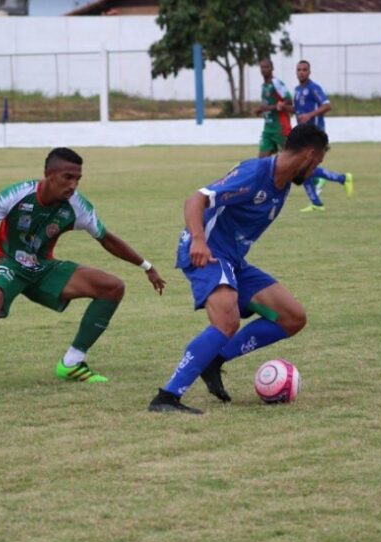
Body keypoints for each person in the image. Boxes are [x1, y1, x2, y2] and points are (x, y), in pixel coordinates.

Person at [0, 147, 166, 395]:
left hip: (42, 267)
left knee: (112, 287)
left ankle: (72, 363)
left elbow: (107, 238)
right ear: (48, 174)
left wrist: (146, 266)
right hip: (7, 263)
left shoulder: (77, 206)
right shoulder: (17, 194)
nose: (73, 185)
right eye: (68, 177)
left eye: (78, 179)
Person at [148, 125, 330, 414]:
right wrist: (198, 240)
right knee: (227, 321)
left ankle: (215, 359)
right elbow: (195, 199)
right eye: (317, 163)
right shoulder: (255, 173)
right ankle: (167, 397)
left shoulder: (281, 183)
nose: (314, 171)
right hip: (206, 253)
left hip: (233, 261)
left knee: (292, 317)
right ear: (308, 155)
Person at [292, 59, 354, 212]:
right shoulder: (296, 90)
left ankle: (341, 179)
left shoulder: (314, 88)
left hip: (316, 134)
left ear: (309, 72)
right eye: (299, 69)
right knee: (302, 169)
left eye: (304, 69)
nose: (301, 72)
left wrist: (309, 115)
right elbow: (297, 110)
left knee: (303, 168)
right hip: (304, 134)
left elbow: (327, 105)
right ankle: (317, 202)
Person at [254, 58, 294, 158]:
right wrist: (262, 111)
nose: (264, 70)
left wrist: (266, 108)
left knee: (290, 158)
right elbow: (267, 106)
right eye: (262, 67)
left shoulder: (276, 83)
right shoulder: (264, 86)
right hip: (268, 129)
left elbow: (289, 100)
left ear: (272, 68)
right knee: (262, 160)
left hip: (280, 127)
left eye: (266, 67)